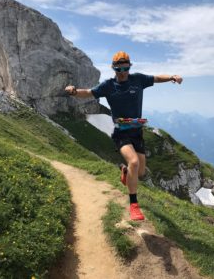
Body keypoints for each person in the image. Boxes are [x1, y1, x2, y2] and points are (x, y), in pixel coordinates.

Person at [65, 51, 183, 221]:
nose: (122, 71)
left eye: (125, 67)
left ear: (129, 66)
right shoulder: (108, 86)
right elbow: (89, 93)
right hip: (121, 132)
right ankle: (134, 205)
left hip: (137, 132)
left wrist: (172, 76)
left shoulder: (138, 80)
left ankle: (125, 171)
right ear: (113, 68)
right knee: (134, 161)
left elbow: (157, 78)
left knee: (140, 172)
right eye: (118, 68)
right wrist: (75, 91)